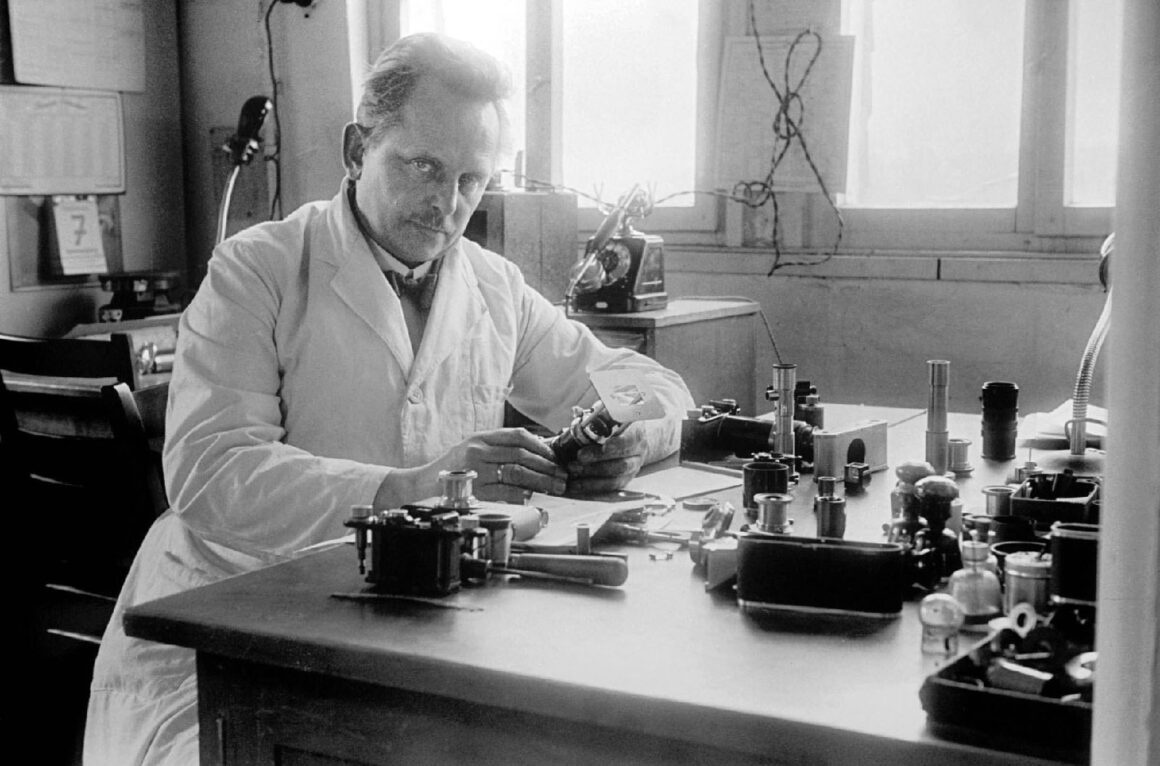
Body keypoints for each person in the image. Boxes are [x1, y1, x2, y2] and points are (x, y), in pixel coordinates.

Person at [84, 32, 693, 765]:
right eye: (423, 166)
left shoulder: (494, 288)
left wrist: (630, 437)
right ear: (355, 150)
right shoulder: (259, 268)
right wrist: (415, 489)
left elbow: (656, 389)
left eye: (472, 179)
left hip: (414, 631)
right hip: (229, 626)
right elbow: (211, 473)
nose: (447, 205)